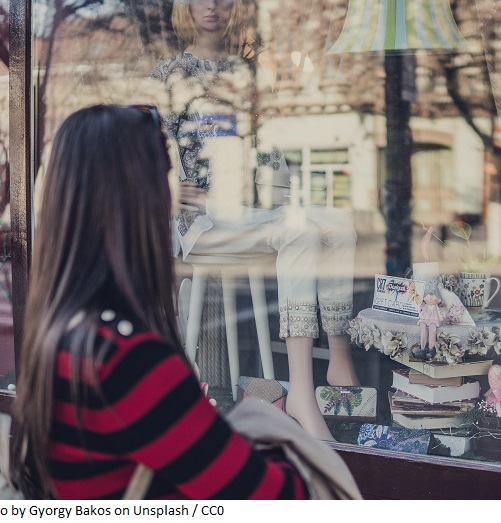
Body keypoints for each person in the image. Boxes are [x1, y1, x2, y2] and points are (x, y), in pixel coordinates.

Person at [12, 105, 311, 500]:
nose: (175, 197)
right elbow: (280, 498)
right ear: (140, 200)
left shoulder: (62, 332)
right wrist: (274, 429)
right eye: (166, 177)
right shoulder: (126, 359)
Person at [148, 0, 360, 440]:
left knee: (340, 222)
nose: (212, 7)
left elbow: (269, 147)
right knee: (299, 230)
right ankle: (301, 392)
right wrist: (165, 189)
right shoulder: (169, 74)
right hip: (204, 223)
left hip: (252, 208)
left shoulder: (245, 74)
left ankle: (340, 356)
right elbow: (145, 147)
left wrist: (276, 165)